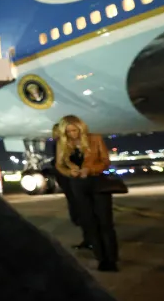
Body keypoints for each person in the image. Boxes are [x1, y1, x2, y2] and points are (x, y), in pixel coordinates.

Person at [54, 114, 118, 272]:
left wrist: (90, 169)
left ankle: (112, 259)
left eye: (75, 130)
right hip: (78, 185)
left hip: (97, 182)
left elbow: (105, 161)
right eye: (69, 131)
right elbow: (59, 165)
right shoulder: (62, 143)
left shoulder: (95, 139)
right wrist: (70, 172)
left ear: (81, 128)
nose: (73, 134)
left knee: (105, 223)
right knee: (89, 223)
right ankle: (101, 259)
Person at [51, 122, 89, 250]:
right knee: (78, 211)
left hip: (73, 184)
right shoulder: (59, 145)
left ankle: (90, 240)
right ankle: (88, 238)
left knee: (81, 212)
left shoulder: (67, 146)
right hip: (69, 185)